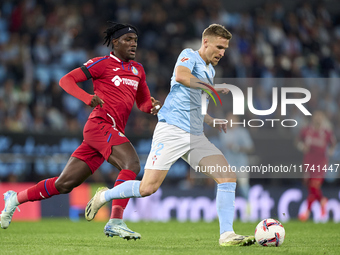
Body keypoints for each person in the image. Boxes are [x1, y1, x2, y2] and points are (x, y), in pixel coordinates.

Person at [85, 24, 256, 246]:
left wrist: (212, 120)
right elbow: (182, 77)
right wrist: (212, 88)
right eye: (220, 47)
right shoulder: (189, 56)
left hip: (195, 136)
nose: (223, 52)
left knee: (227, 177)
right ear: (206, 42)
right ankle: (104, 196)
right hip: (172, 131)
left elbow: (196, 104)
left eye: (225, 49)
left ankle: (226, 235)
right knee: (147, 188)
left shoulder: (210, 71)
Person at [0, 22, 161, 240]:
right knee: (131, 164)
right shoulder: (102, 63)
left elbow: (141, 104)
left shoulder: (138, 70)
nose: (133, 44)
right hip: (100, 125)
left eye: (135, 41)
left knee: (64, 184)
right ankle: (115, 220)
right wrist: (87, 98)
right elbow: (65, 80)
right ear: (115, 43)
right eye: (128, 40)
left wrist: (150, 107)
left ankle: (15, 198)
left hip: (109, 131)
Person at [296, 110, 336, 221]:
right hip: (308, 162)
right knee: (311, 187)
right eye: (316, 116)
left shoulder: (326, 132)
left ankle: (306, 212)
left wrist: (331, 151)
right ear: (313, 118)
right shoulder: (306, 131)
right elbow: (297, 141)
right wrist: (301, 146)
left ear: (323, 119)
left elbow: (333, 143)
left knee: (314, 185)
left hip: (321, 162)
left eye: (320, 116)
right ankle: (322, 200)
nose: (318, 118)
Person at [219, 113, 254, 201]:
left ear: (237, 121)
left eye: (232, 120)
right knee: (222, 188)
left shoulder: (242, 132)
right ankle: (220, 210)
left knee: (244, 188)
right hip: (228, 165)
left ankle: (249, 210)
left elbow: (250, 148)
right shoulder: (223, 132)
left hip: (241, 165)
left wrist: (236, 147)